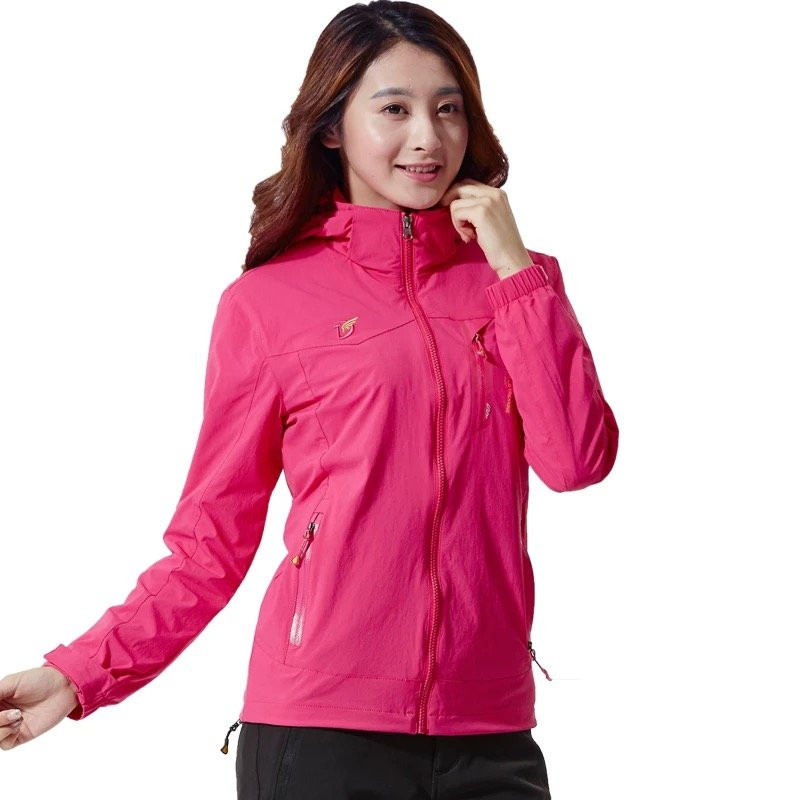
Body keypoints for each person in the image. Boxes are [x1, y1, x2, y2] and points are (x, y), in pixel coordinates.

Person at [0, 1, 619, 796]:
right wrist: (79, 673)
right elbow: (209, 546)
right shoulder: (268, 305)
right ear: (331, 127)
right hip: (321, 734)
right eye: (393, 109)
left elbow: (576, 461)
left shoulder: (519, 285)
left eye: (448, 108)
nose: (428, 137)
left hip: (490, 730)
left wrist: (513, 269)